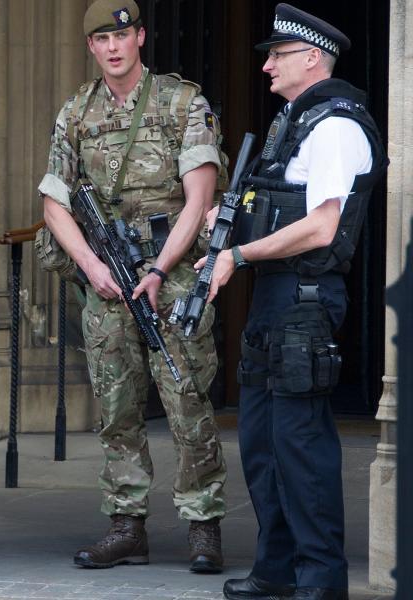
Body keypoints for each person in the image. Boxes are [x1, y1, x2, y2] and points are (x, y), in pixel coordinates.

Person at [201, 5, 386, 600]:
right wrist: (229, 224)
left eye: (277, 56)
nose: (265, 67)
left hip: (304, 300)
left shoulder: (335, 126)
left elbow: (323, 227)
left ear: (312, 58)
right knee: (261, 444)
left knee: (300, 448)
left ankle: (320, 581)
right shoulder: (293, 120)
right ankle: (275, 570)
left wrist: (241, 255)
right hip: (274, 299)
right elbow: (280, 203)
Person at [39, 0, 228, 574]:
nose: (113, 47)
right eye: (101, 39)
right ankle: (127, 524)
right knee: (116, 407)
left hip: (169, 277)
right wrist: (91, 267)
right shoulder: (77, 111)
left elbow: (200, 198)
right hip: (108, 282)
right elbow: (54, 203)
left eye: (122, 35)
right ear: (92, 47)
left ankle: (203, 526)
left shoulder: (181, 101)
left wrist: (156, 270)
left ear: (140, 36)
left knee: (185, 398)